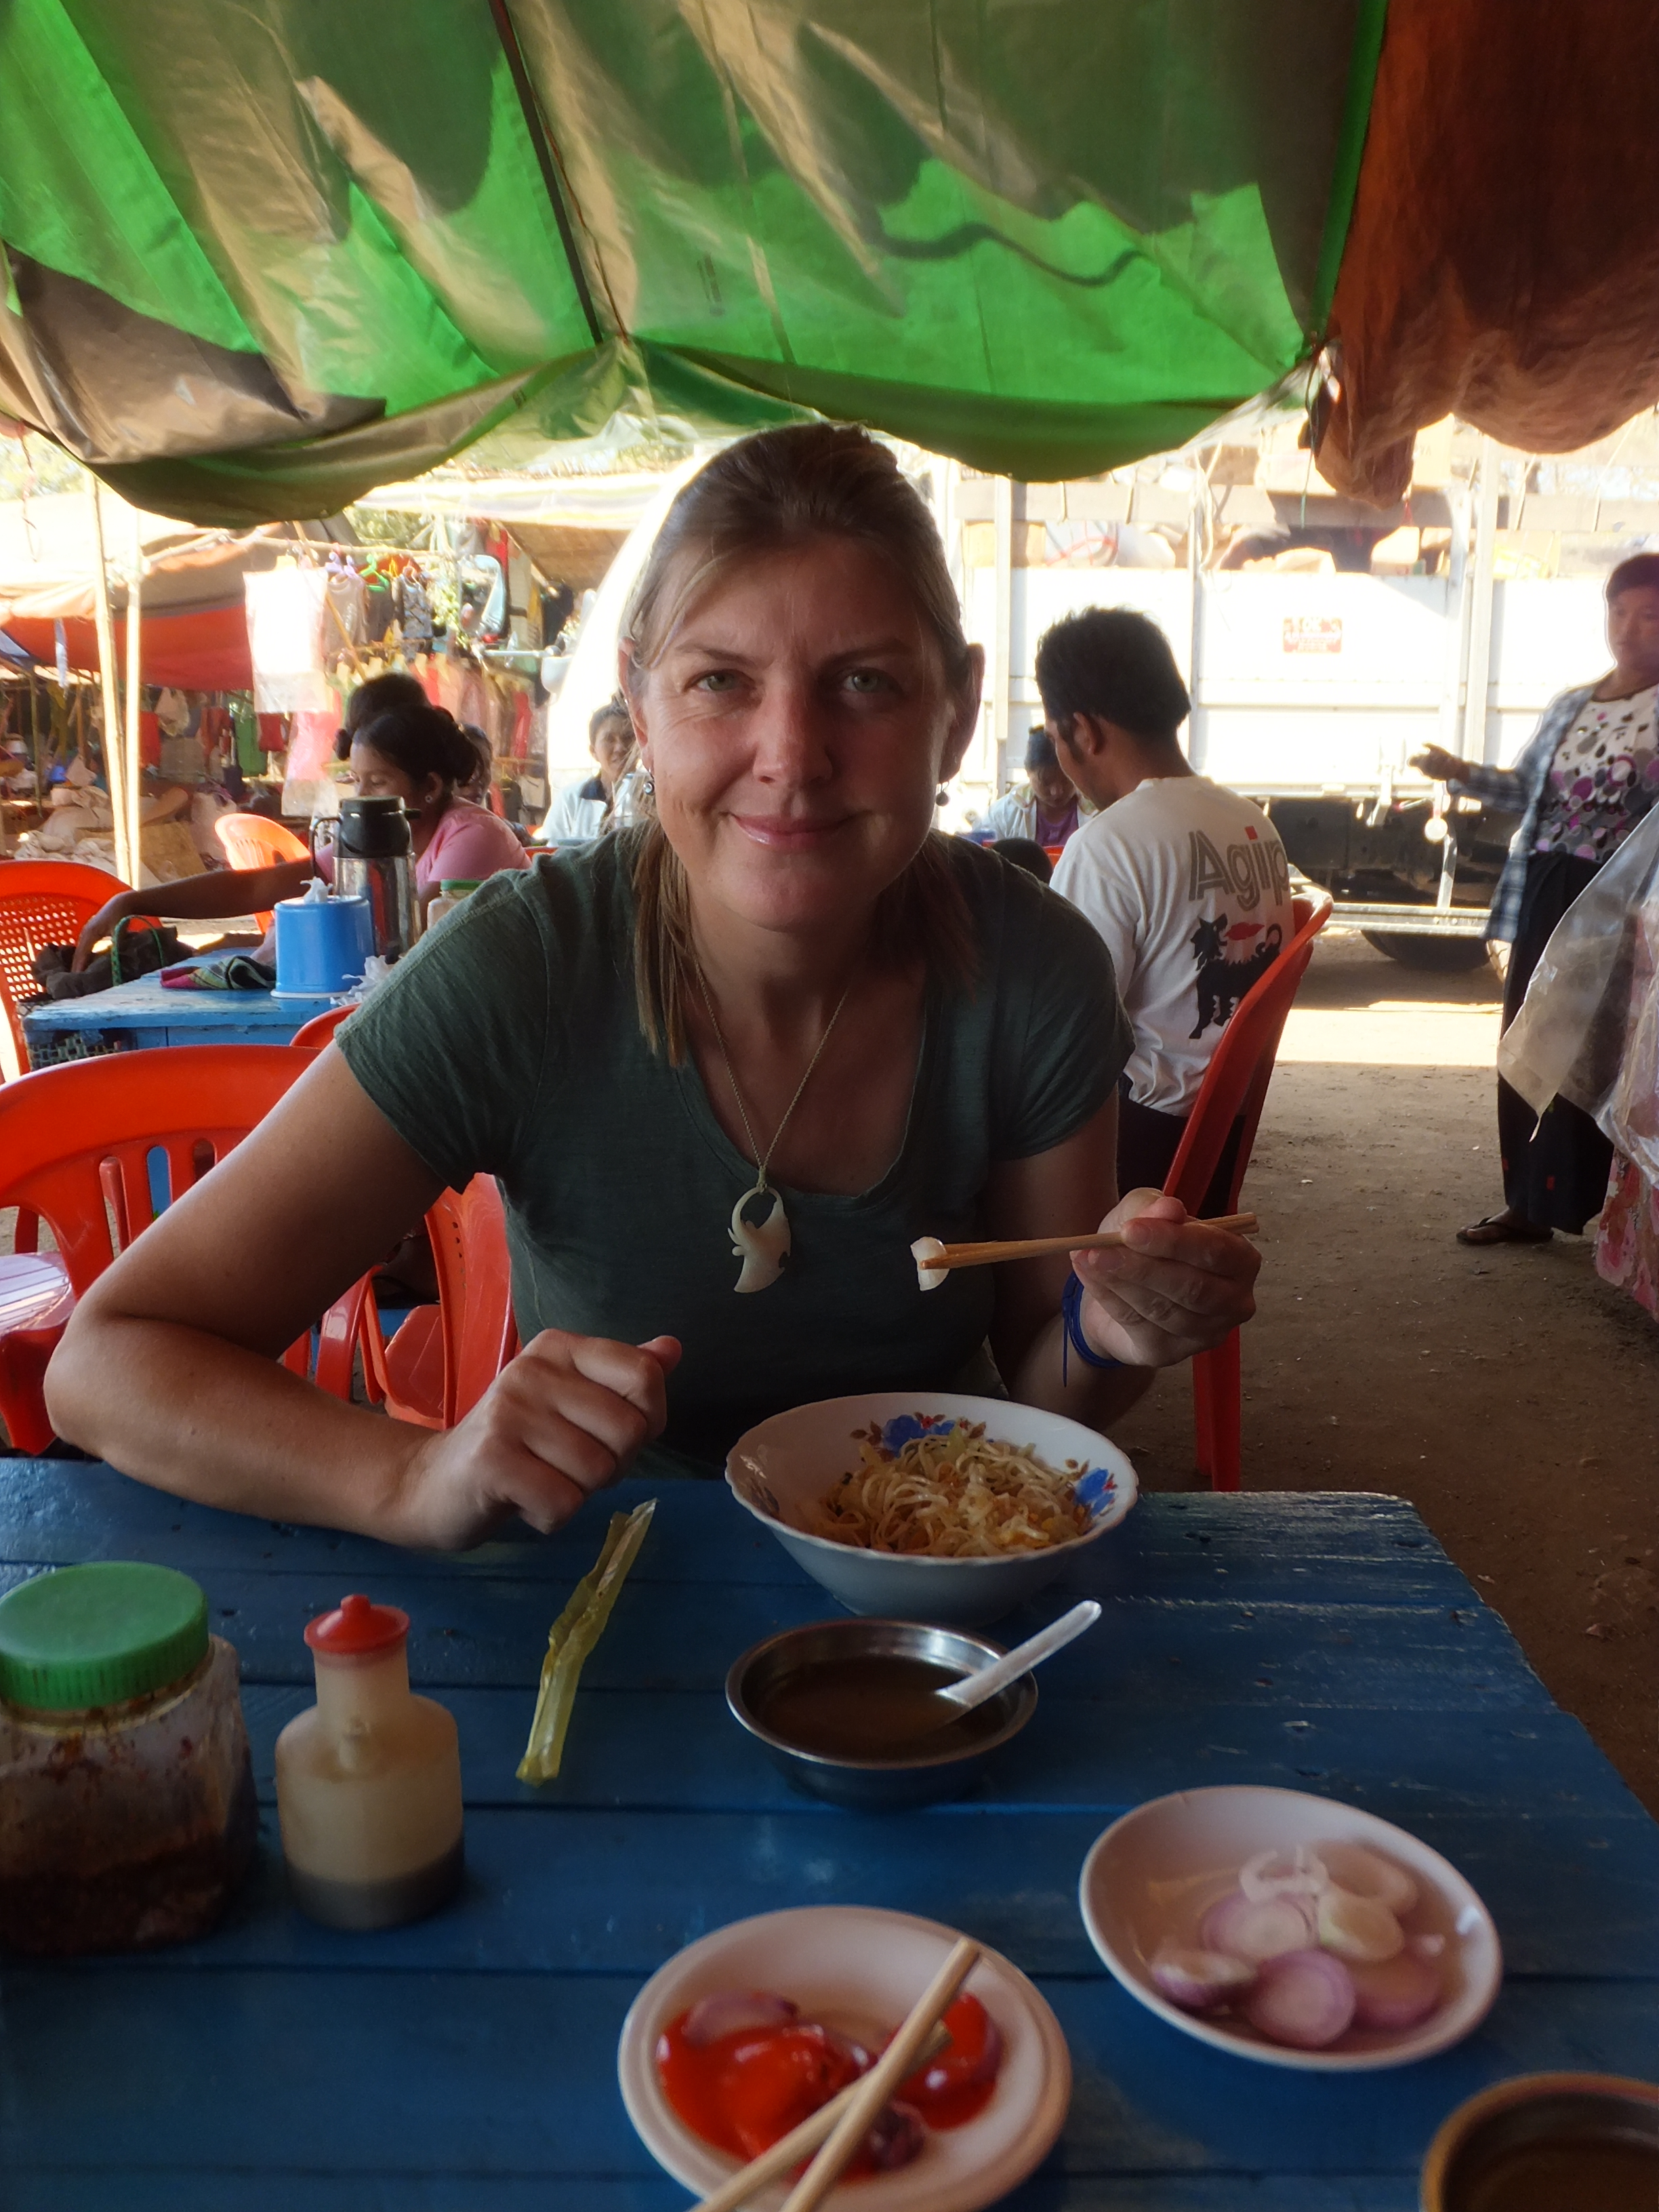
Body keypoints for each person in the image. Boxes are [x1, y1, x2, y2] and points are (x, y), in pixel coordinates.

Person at [46, 424, 1258, 1551]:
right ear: (639, 704)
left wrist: (1113, 1329)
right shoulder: (524, 968)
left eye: (865, 684)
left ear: (955, 714)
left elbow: (1045, 1385)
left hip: (930, 1571)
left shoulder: (1034, 968)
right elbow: (107, 1361)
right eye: (720, 680)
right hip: (602, 1582)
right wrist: (413, 1475)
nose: (790, 757)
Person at [1412, 552, 1659, 1246]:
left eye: (1649, 616)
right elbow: (1524, 790)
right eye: (1619, 612)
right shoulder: (1571, 705)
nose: (1629, 629)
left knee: (1607, 1057)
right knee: (1530, 1042)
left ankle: (1609, 1215)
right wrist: (1459, 772)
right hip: (1549, 890)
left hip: (1625, 905)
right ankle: (1525, 1202)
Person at [1041, 607, 1292, 1208]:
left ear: (1083, 732)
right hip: (1216, 1134)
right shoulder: (1254, 825)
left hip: (1136, 1151)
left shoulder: (1109, 846)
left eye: (1054, 740)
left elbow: (1060, 1043)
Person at [70, 695, 529, 968]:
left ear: (429, 787)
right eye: (356, 781)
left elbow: (400, 937)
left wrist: (263, 942)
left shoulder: (472, 836)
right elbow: (261, 886)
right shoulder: (375, 838)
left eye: (377, 782)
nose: (360, 796)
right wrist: (136, 902)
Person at [541, 695, 636, 842]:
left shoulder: (654, 798)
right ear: (593, 751)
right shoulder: (571, 800)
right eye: (609, 739)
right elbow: (551, 848)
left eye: (628, 737)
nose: (620, 748)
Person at [981, 725, 1086, 849]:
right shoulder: (1002, 815)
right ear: (1028, 772)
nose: (1057, 791)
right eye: (1046, 782)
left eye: (1066, 780)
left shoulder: (1098, 812)